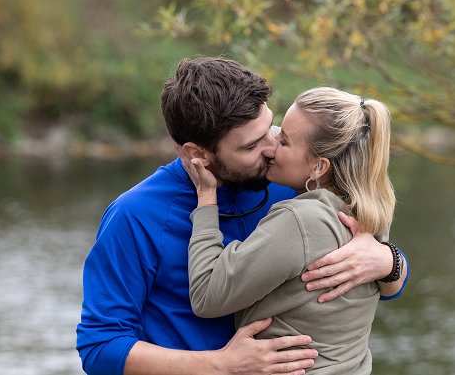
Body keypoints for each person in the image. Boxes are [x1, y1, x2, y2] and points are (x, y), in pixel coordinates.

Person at [76, 57, 408, 375]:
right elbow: (100, 348)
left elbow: (381, 287)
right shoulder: (134, 216)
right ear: (198, 154)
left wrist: (388, 261)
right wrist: (220, 366)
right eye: (250, 146)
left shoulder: (291, 179)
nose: (271, 147)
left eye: (271, 128)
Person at [186, 86, 406, 374]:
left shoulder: (301, 220)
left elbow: (206, 296)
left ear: (318, 167)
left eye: (285, 141)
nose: (271, 145)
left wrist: (205, 198)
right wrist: (393, 261)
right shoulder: (371, 210)